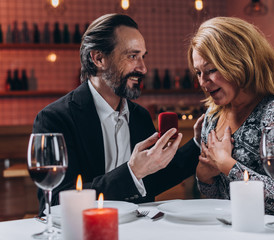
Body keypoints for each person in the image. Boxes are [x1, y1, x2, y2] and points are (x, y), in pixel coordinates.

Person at [33, 13, 203, 215]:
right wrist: (132, 172)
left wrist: (198, 144)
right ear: (98, 58)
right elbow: (55, 202)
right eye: (132, 56)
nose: (143, 68)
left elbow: (153, 179)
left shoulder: (139, 116)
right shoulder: (54, 119)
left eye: (143, 56)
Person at [187, 16, 274, 222]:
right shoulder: (212, 118)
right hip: (242, 230)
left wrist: (227, 164)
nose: (203, 82)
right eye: (198, 73)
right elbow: (219, 198)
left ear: (240, 60)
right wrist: (204, 177)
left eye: (211, 70)